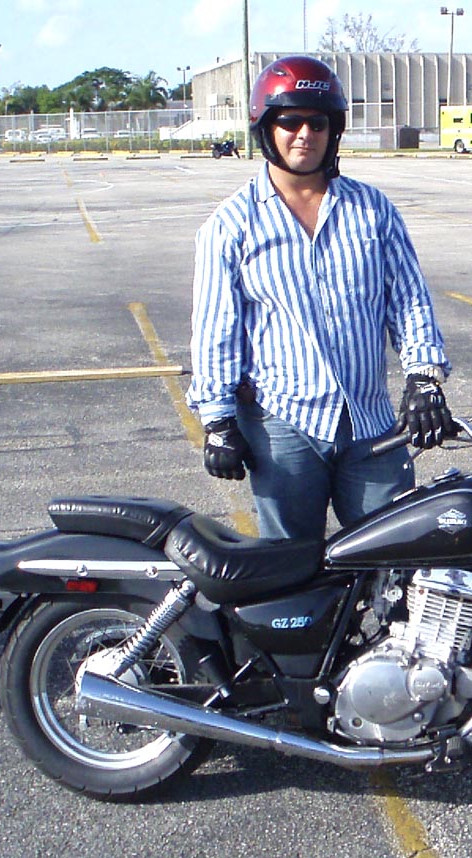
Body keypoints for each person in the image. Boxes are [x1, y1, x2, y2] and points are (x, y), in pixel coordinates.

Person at [185, 55, 455, 542]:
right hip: (283, 427)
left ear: (334, 131)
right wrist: (218, 420)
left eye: (318, 123)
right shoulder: (231, 225)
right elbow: (216, 330)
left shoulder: (371, 210)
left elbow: (409, 300)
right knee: (290, 566)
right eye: (290, 122)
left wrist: (423, 377)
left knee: (397, 554)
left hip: (372, 426)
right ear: (266, 128)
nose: (304, 134)